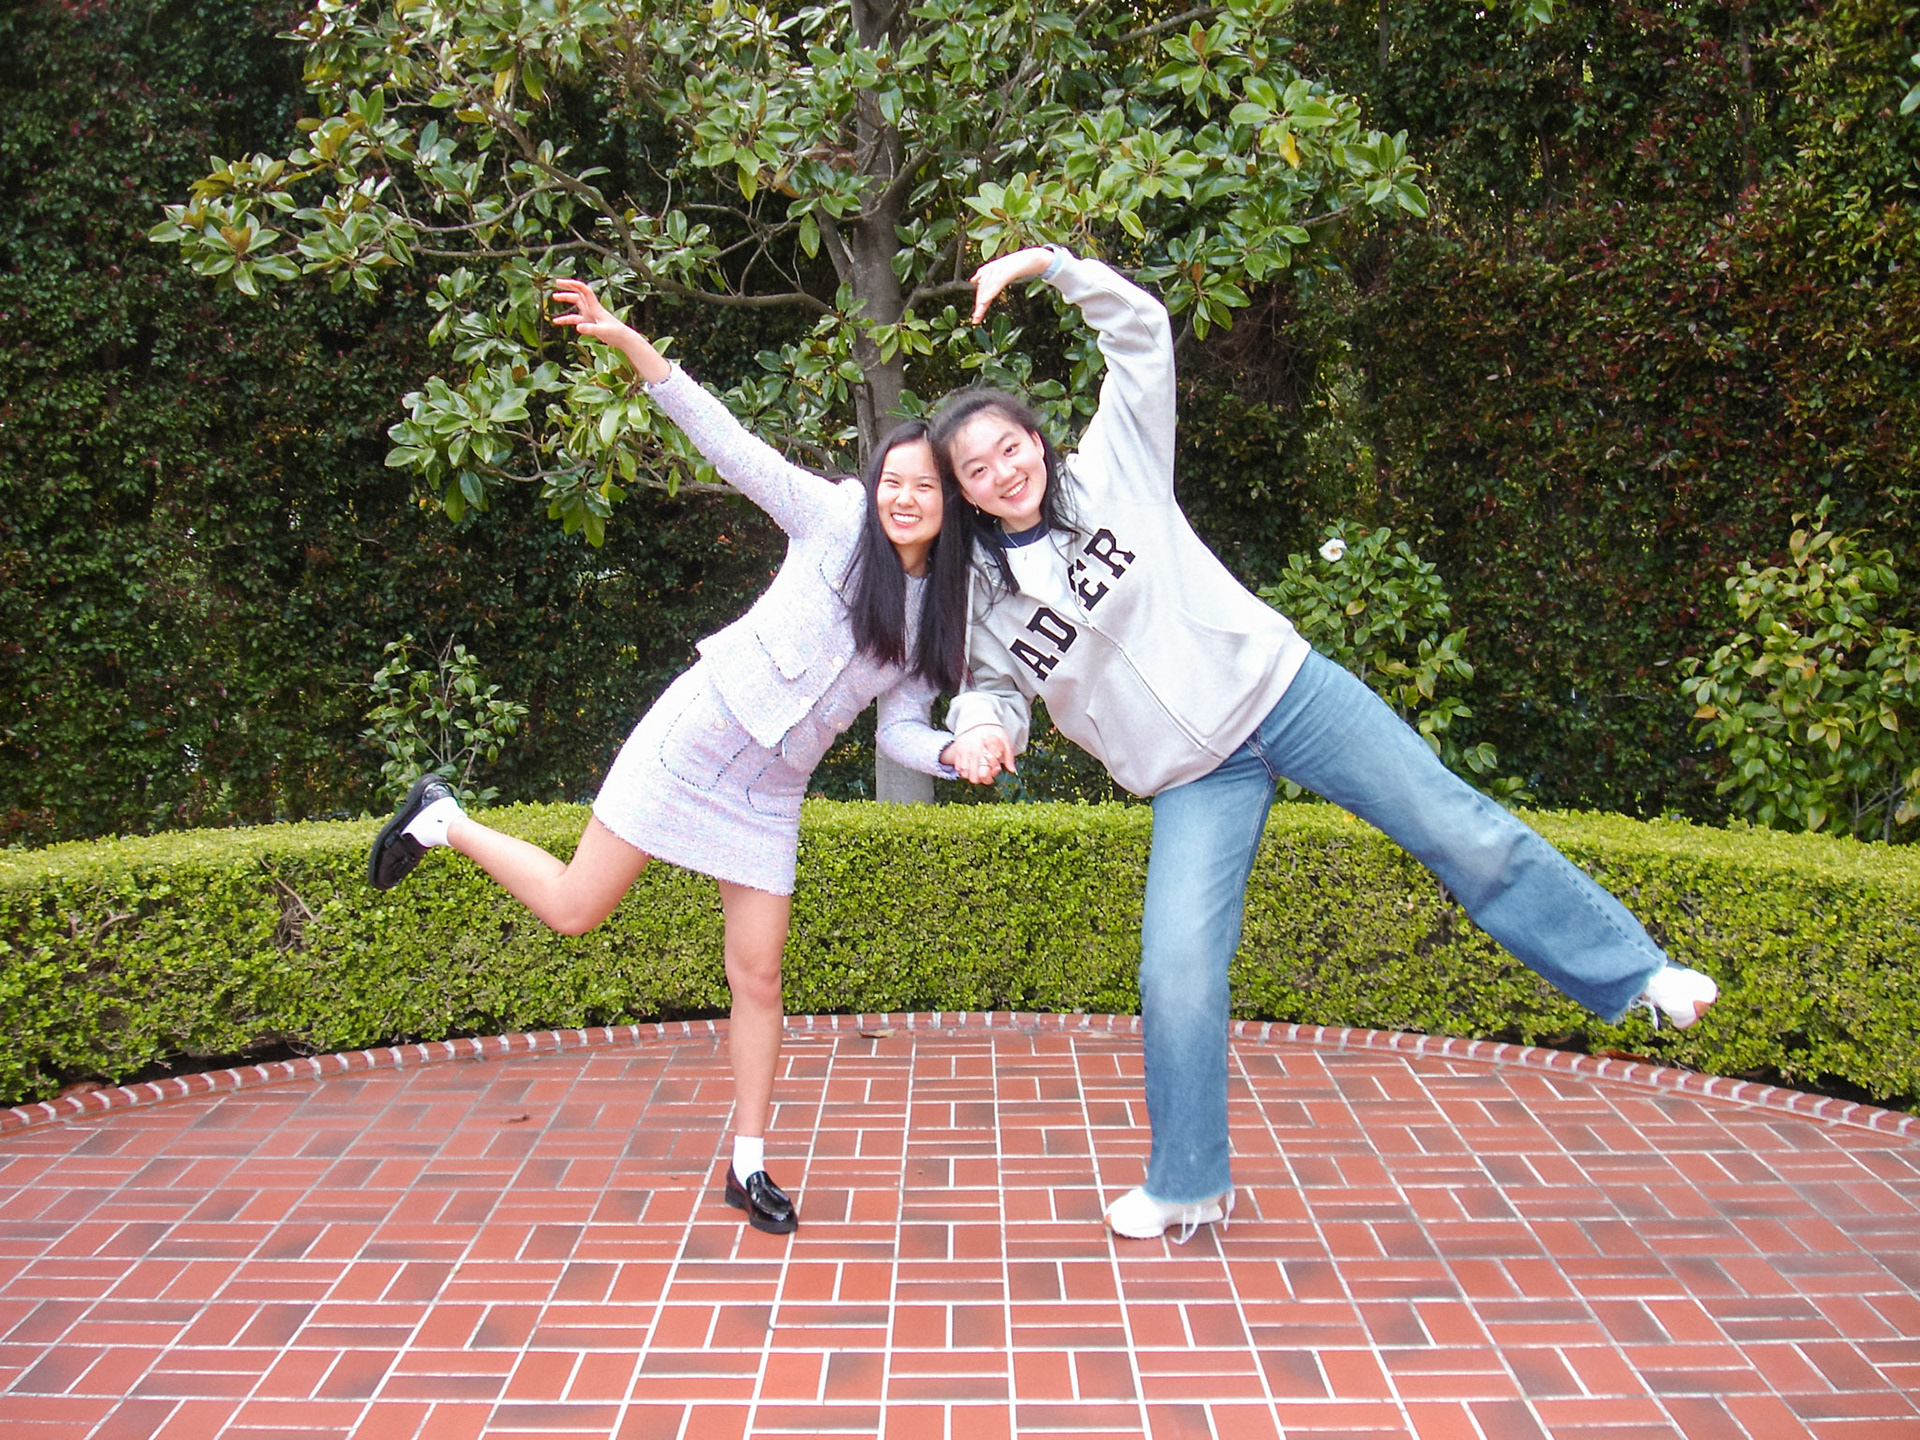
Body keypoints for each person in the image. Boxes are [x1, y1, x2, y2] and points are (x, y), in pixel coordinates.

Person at [933, 244, 1720, 1243]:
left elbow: (1141, 336)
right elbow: (992, 688)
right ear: (963, 494)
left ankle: (1635, 973)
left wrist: (1052, 266)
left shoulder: (1116, 470)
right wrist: (981, 730)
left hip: (1285, 692)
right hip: (1193, 775)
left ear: (1037, 442)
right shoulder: (983, 599)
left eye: (1011, 448)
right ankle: (1188, 1183)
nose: (1004, 472)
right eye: (977, 469)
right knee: (1175, 971)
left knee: (1454, 825)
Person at [366, 278, 980, 1235]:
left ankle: (748, 1164)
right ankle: (443, 820)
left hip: (772, 789)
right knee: (575, 909)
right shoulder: (833, 520)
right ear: (875, 484)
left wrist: (954, 753)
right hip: (698, 733)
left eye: (925, 488)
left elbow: (901, 730)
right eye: (893, 481)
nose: (905, 499)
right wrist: (633, 347)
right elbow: (731, 446)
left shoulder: (937, 614)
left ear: (950, 504)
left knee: (759, 976)